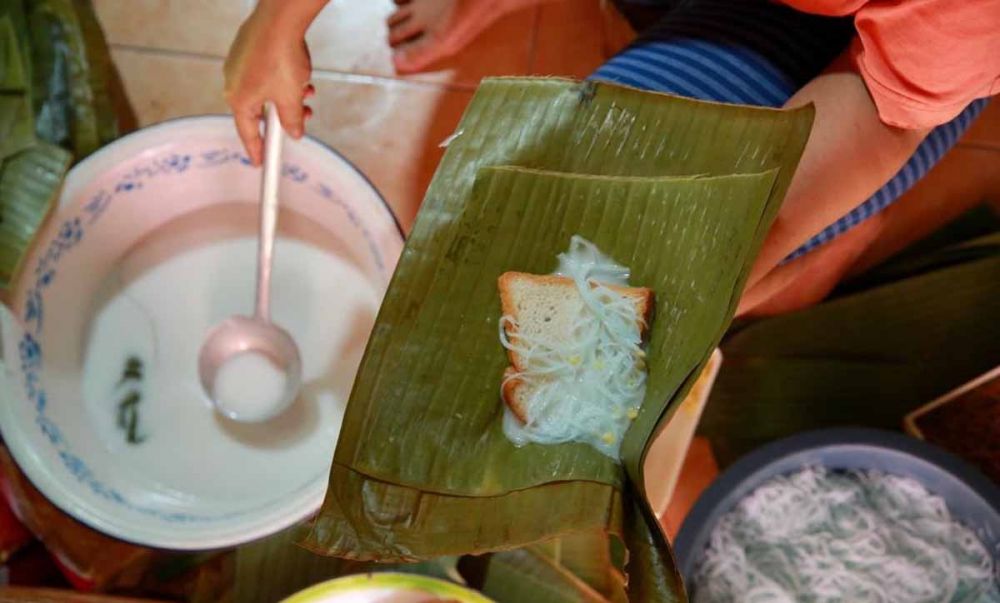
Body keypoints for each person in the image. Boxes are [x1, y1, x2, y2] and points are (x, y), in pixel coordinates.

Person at [223, 0, 999, 315]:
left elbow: (881, 111)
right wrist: (278, 16)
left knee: (775, 256)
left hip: (902, 62)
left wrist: (748, 241)